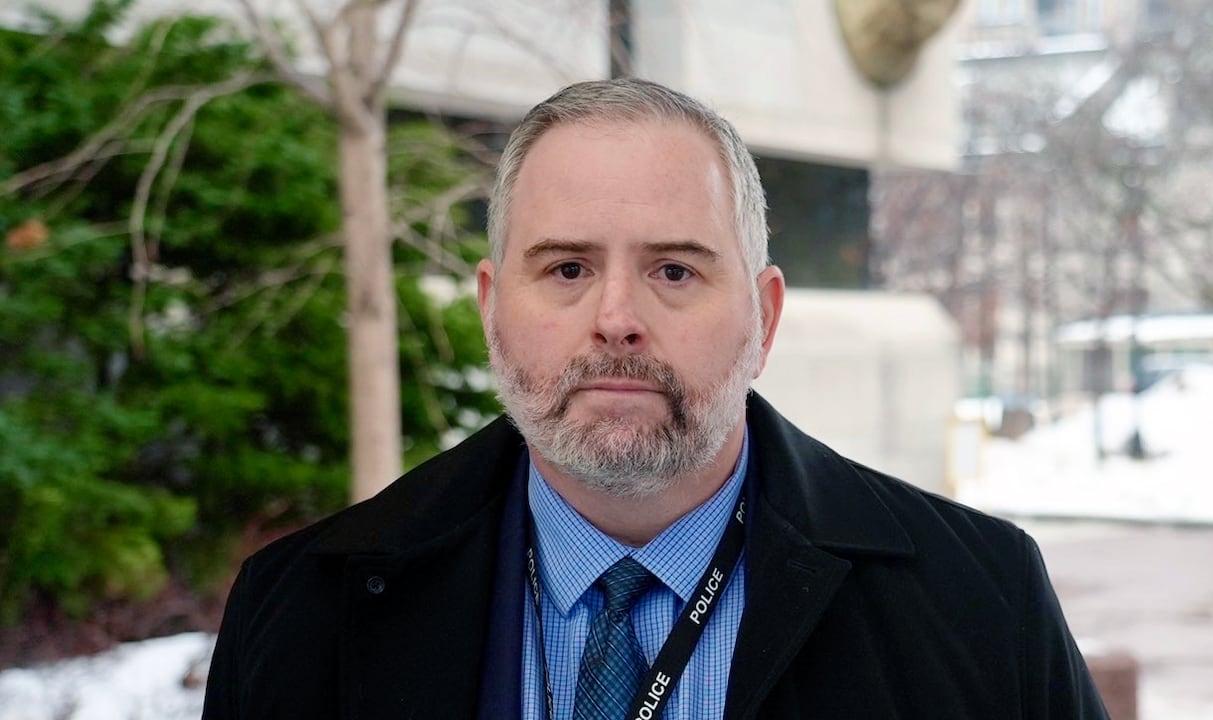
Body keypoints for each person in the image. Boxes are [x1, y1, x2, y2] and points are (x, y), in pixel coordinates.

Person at [202, 78, 1108, 720]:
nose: (617, 319)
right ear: (490, 310)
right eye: (566, 268)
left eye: (675, 269)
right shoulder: (300, 615)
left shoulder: (979, 602)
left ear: (763, 317)